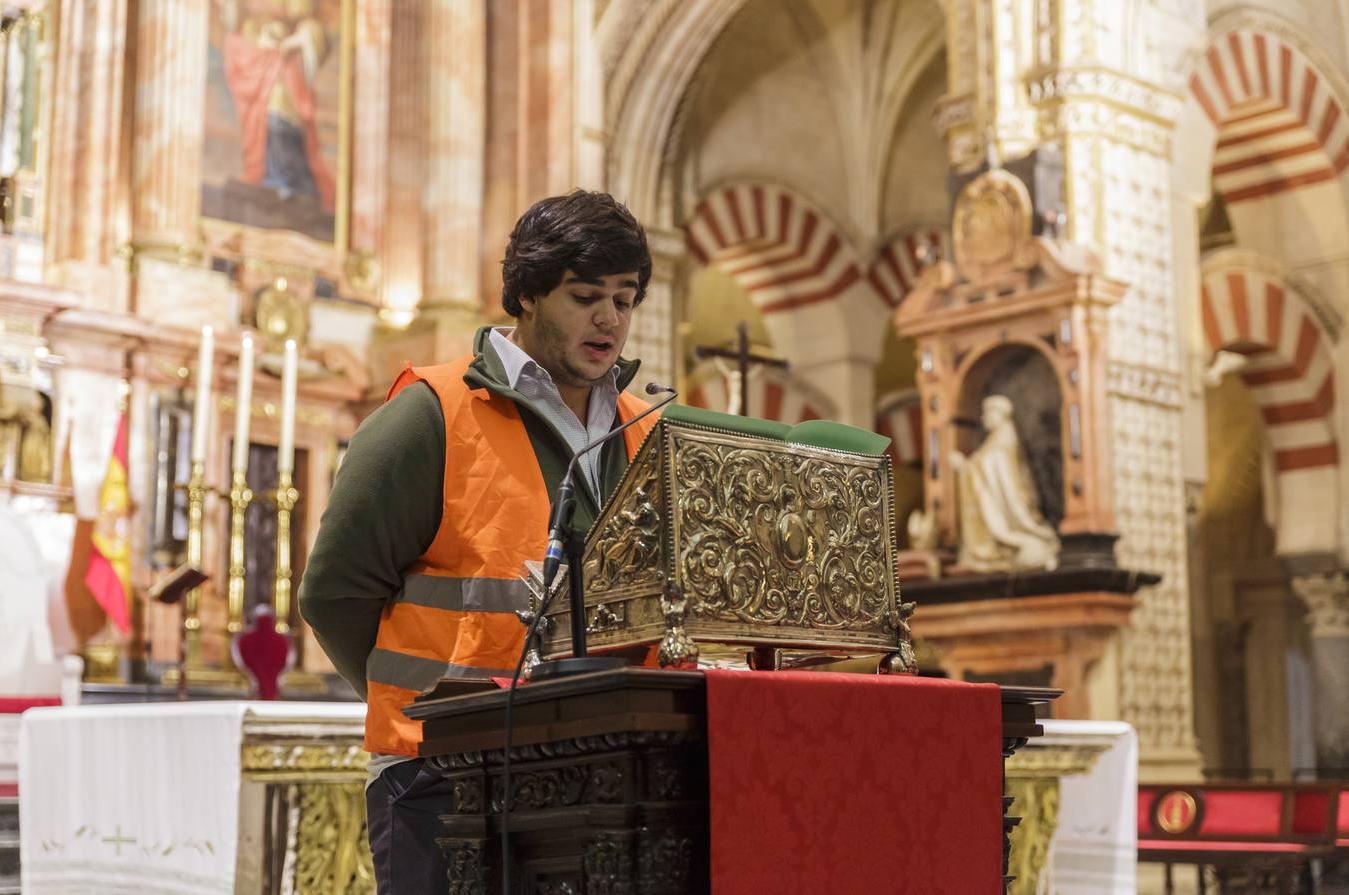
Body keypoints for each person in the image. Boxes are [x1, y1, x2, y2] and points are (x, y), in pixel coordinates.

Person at [298, 190, 660, 894]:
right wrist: (428, 707)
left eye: (625, 297)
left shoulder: (645, 427)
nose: (609, 319)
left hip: (607, 768)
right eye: (585, 295)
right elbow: (333, 592)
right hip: (442, 774)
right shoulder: (431, 413)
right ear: (526, 293)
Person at [950, 394, 1059, 572]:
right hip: (1007, 508)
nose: (983, 418)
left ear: (1000, 414)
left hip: (1013, 508)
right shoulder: (997, 440)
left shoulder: (1003, 441)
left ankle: (1009, 543)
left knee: (1018, 539)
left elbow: (994, 473)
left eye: (987, 413)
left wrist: (964, 466)